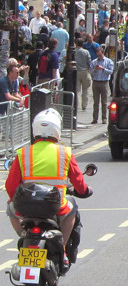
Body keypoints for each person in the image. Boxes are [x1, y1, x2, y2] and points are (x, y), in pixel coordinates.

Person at [6, 109, 93, 268]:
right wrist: (85, 191)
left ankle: (24, 234)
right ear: (57, 130)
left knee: (10, 208)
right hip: (55, 206)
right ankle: (63, 249)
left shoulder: (23, 153)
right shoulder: (65, 153)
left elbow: (10, 185)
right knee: (72, 211)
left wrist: (14, 200)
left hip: (26, 207)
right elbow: (78, 182)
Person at [90, 47, 114, 124]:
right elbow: (90, 73)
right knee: (96, 102)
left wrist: (103, 69)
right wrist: (95, 69)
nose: (99, 57)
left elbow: (111, 72)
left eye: (100, 55)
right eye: (98, 55)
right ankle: (95, 118)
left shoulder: (108, 61)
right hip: (96, 82)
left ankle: (104, 118)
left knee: (104, 102)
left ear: (103, 53)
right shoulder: (94, 62)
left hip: (104, 82)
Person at [74, 41, 92, 114]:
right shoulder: (86, 52)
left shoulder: (74, 52)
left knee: (77, 90)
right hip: (85, 71)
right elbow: (89, 62)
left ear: (76, 44)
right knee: (85, 90)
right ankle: (84, 105)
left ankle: (77, 105)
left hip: (76, 71)